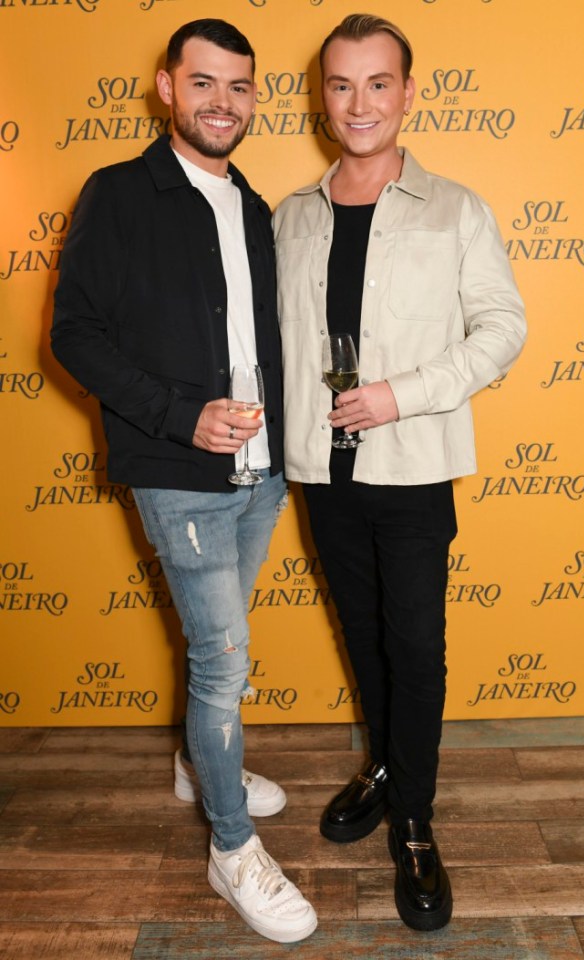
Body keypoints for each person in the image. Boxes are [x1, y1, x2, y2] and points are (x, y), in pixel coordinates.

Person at [51, 18, 317, 945]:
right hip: (178, 473)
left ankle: (199, 765)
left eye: (239, 88)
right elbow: (74, 333)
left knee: (221, 653)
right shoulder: (119, 194)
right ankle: (231, 845)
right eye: (203, 84)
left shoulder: (251, 203)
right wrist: (178, 413)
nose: (223, 103)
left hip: (261, 473)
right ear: (167, 88)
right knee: (224, 662)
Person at [273, 13, 526, 933]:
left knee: (416, 647)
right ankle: (382, 766)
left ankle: (414, 817)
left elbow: (503, 328)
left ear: (408, 94)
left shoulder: (457, 209)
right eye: (341, 85)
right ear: (323, 98)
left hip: (415, 469)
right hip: (322, 474)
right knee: (365, 638)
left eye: (379, 83)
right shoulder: (291, 216)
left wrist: (403, 393)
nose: (360, 103)